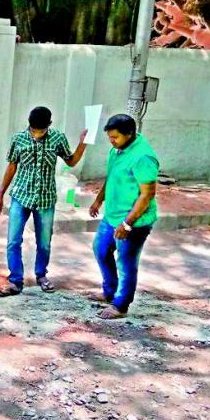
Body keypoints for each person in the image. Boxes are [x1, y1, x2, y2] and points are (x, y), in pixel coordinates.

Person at [0, 106, 88, 297]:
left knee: (44, 241)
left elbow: (71, 161)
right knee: (13, 241)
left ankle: (41, 275)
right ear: (29, 124)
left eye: (41, 131)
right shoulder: (18, 139)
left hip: (45, 198)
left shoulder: (57, 138)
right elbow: (12, 166)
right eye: (34, 130)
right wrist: (0, 194)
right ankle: (15, 280)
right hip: (21, 196)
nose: (36, 135)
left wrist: (82, 144)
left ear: (49, 126)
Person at [89, 114, 159, 319]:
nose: (111, 141)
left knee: (126, 262)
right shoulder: (117, 151)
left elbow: (147, 195)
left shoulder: (143, 157)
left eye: (115, 137)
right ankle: (110, 291)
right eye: (110, 137)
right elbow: (111, 178)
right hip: (111, 216)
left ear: (129, 134)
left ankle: (121, 304)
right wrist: (98, 200)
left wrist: (127, 224)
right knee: (101, 250)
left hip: (134, 221)